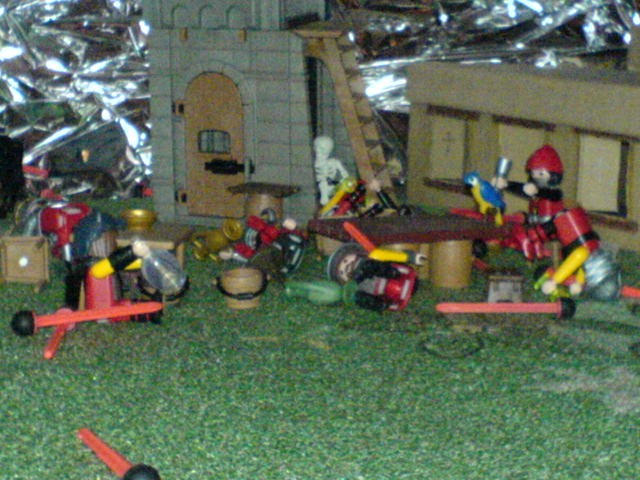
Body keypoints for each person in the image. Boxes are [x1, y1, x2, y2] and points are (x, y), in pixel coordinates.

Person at [494, 145, 565, 261]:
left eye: (541, 174)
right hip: (534, 224)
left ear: (553, 175)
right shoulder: (534, 191)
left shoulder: (554, 193)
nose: (536, 177)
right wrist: (506, 184)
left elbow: (546, 193)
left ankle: (533, 258)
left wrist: (537, 191)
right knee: (515, 220)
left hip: (551, 229)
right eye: (533, 173)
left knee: (528, 236)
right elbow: (523, 189)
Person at [313, 135, 349, 206]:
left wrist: (344, 179)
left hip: (332, 187)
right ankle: (325, 199)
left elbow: (345, 174)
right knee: (323, 183)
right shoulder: (314, 164)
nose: (319, 151)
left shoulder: (334, 162)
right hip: (320, 187)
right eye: (317, 148)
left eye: (323, 149)